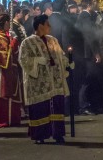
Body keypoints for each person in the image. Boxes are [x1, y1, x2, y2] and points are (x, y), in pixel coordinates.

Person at [18, 14, 71, 144]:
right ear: (40, 26)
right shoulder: (27, 42)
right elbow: (23, 60)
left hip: (55, 82)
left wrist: (67, 62)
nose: (50, 27)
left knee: (57, 107)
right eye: (48, 24)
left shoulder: (52, 40)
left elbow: (60, 55)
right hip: (38, 84)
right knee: (40, 109)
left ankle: (57, 134)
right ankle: (40, 135)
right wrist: (37, 61)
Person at [0, 14, 22, 127]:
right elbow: (7, 52)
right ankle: (2, 119)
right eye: (8, 22)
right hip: (3, 69)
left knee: (13, 93)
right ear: (4, 23)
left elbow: (15, 52)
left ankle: (13, 118)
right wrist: (14, 40)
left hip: (12, 68)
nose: (9, 25)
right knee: (3, 93)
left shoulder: (6, 35)